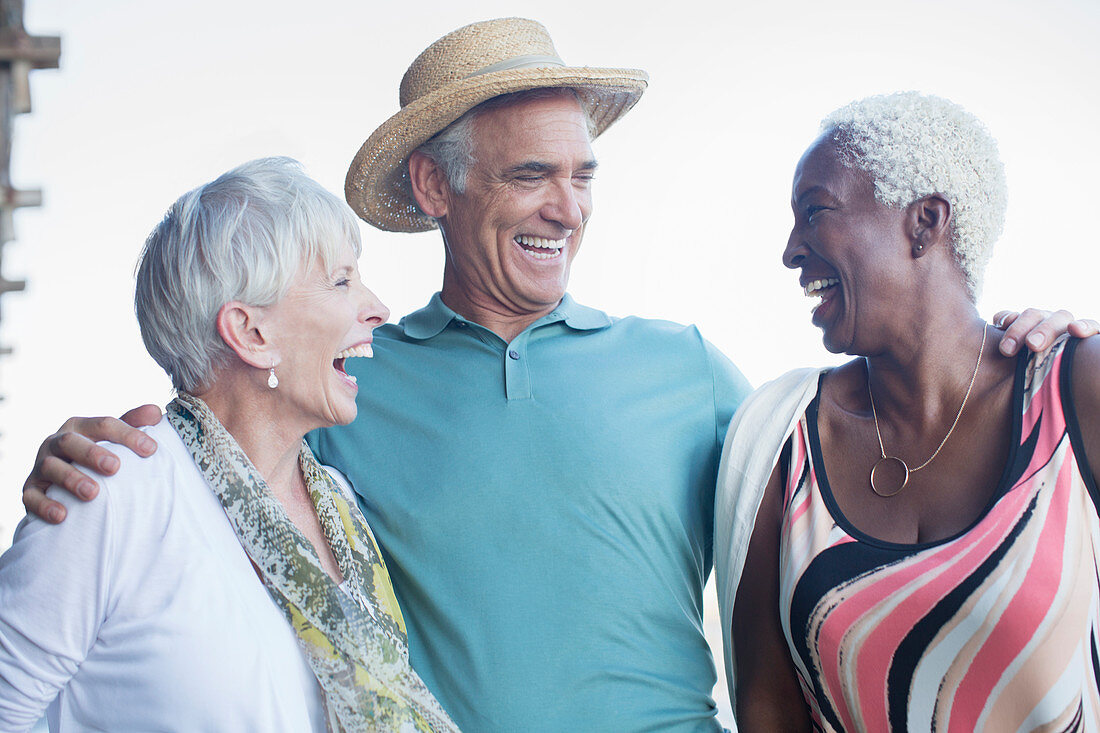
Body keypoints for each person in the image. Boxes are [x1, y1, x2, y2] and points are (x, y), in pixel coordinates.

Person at [19, 20, 1097, 733]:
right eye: (529, 174)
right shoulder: (345, 389)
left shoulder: (693, 374)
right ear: (434, 186)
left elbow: (868, 452)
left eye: (581, 174)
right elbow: (219, 455)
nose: (565, 206)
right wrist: (86, 447)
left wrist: (1017, 337)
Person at [0, 158, 458, 732]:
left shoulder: (340, 504)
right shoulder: (114, 494)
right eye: (341, 281)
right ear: (250, 333)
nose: (378, 309)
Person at [716, 92, 1100, 731]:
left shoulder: (1073, 390)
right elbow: (768, 707)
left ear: (925, 221)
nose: (790, 250)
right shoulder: (781, 440)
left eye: (815, 213)